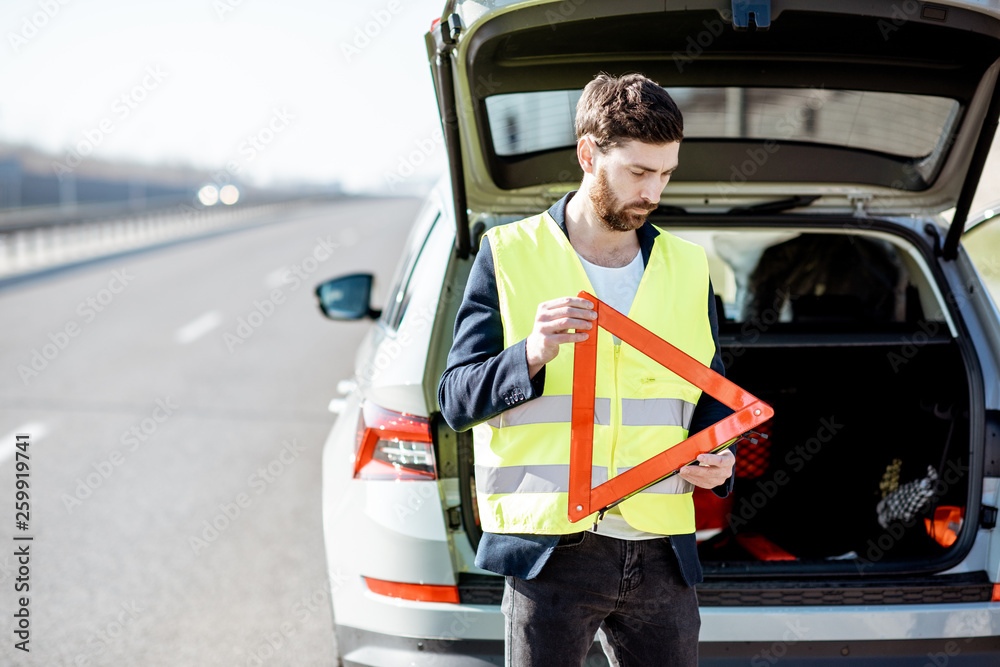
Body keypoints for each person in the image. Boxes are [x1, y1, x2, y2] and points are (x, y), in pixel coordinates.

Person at [438, 72, 736, 667]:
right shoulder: (508, 256)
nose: (654, 192)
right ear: (587, 154)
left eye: (666, 173)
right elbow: (455, 399)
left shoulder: (686, 266)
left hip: (662, 554)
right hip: (550, 555)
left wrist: (720, 460)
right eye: (638, 172)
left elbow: (711, 396)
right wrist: (530, 353)